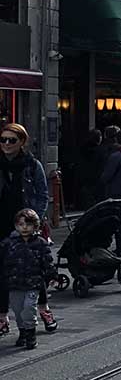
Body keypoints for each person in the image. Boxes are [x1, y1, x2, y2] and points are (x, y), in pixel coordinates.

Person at [0, 124, 56, 334]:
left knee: (34, 270)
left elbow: (42, 194)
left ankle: (43, 309)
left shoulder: (32, 165)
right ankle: (2, 317)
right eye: (3, 139)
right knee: (2, 272)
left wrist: (35, 221)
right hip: (2, 223)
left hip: (26, 224)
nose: (6, 144)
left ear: (22, 142)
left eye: (11, 140)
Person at [0, 209, 56, 349]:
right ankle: (23, 332)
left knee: (29, 308)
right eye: (20, 224)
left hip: (33, 284)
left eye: (28, 224)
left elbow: (47, 262)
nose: (24, 227)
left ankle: (31, 334)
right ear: (16, 226)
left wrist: (52, 276)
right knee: (18, 311)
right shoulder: (8, 243)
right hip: (14, 284)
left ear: (35, 226)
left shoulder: (40, 243)